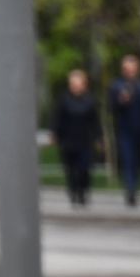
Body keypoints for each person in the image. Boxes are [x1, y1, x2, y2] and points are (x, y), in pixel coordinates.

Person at [53, 68, 103, 206]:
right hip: (68, 139)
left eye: (78, 84)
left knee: (84, 169)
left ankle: (83, 191)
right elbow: (58, 118)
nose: (75, 86)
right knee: (70, 169)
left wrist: (99, 137)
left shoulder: (90, 101)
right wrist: (55, 133)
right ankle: (73, 191)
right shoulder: (64, 100)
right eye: (73, 84)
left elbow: (95, 121)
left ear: (84, 84)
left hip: (85, 140)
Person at [109, 53, 140, 206]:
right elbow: (112, 108)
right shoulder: (117, 86)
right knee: (128, 160)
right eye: (127, 69)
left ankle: (135, 185)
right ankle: (130, 190)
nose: (130, 72)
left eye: (133, 69)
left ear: (137, 69)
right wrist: (121, 101)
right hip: (125, 130)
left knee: (138, 161)